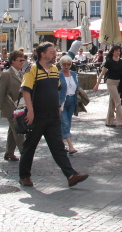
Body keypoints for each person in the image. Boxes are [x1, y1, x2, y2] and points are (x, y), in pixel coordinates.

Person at [18, 42, 88, 188]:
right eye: (51, 52)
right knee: (30, 146)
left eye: (54, 52)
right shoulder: (33, 69)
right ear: (42, 54)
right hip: (37, 115)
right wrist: (30, 111)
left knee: (58, 146)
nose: (54, 54)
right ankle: (24, 176)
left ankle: (71, 175)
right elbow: (25, 90)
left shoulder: (55, 69)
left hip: (53, 115)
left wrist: (58, 107)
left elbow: (56, 90)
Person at [0, 49, 26, 162]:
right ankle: (25, 154)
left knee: (13, 130)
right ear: (13, 61)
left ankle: (9, 153)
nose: (22, 62)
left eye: (23, 60)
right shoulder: (6, 75)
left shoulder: (22, 74)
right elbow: (0, 92)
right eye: (20, 60)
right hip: (11, 107)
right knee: (19, 130)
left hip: (20, 106)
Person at [93, 45, 122, 128]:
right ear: (113, 52)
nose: (118, 52)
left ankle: (109, 121)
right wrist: (97, 85)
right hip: (111, 82)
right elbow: (102, 74)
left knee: (112, 102)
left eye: (119, 51)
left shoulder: (121, 62)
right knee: (118, 101)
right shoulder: (109, 61)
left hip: (118, 82)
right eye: (116, 51)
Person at [58, 55, 79, 154]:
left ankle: (61, 144)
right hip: (62, 101)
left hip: (72, 100)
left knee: (68, 122)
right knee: (65, 122)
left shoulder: (74, 74)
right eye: (64, 64)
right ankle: (71, 146)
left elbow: (76, 87)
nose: (66, 66)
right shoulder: (58, 75)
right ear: (60, 65)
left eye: (68, 64)